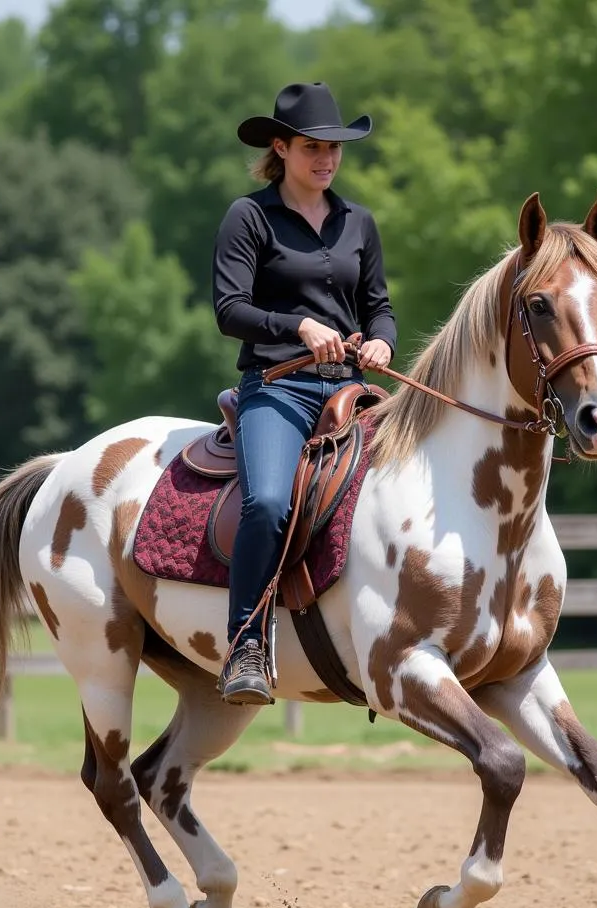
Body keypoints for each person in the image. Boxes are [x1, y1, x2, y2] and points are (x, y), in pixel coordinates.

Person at [211, 81, 397, 706]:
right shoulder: (250, 217)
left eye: (336, 148)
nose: (327, 159)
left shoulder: (358, 222)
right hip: (278, 390)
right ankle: (245, 645)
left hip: (353, 391)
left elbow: (380, 308)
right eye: (314, 147)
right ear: (282, 148)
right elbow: (229, 309)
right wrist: (298, 326)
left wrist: (383, 345)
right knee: (266, 501)